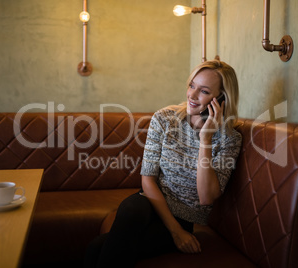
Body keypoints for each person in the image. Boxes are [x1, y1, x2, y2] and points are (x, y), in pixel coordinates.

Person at [83, 58, 242, 267]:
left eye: (203, 91)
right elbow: (147, 178)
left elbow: (206, 197)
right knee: (130, 211)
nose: (192, 95)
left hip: (184, 217)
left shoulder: (230, 139)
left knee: (97, 248)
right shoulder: (165, 118)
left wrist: (206, 140)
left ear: (221, 99)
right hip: (150, 201)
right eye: (191, 86)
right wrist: (176, 233)